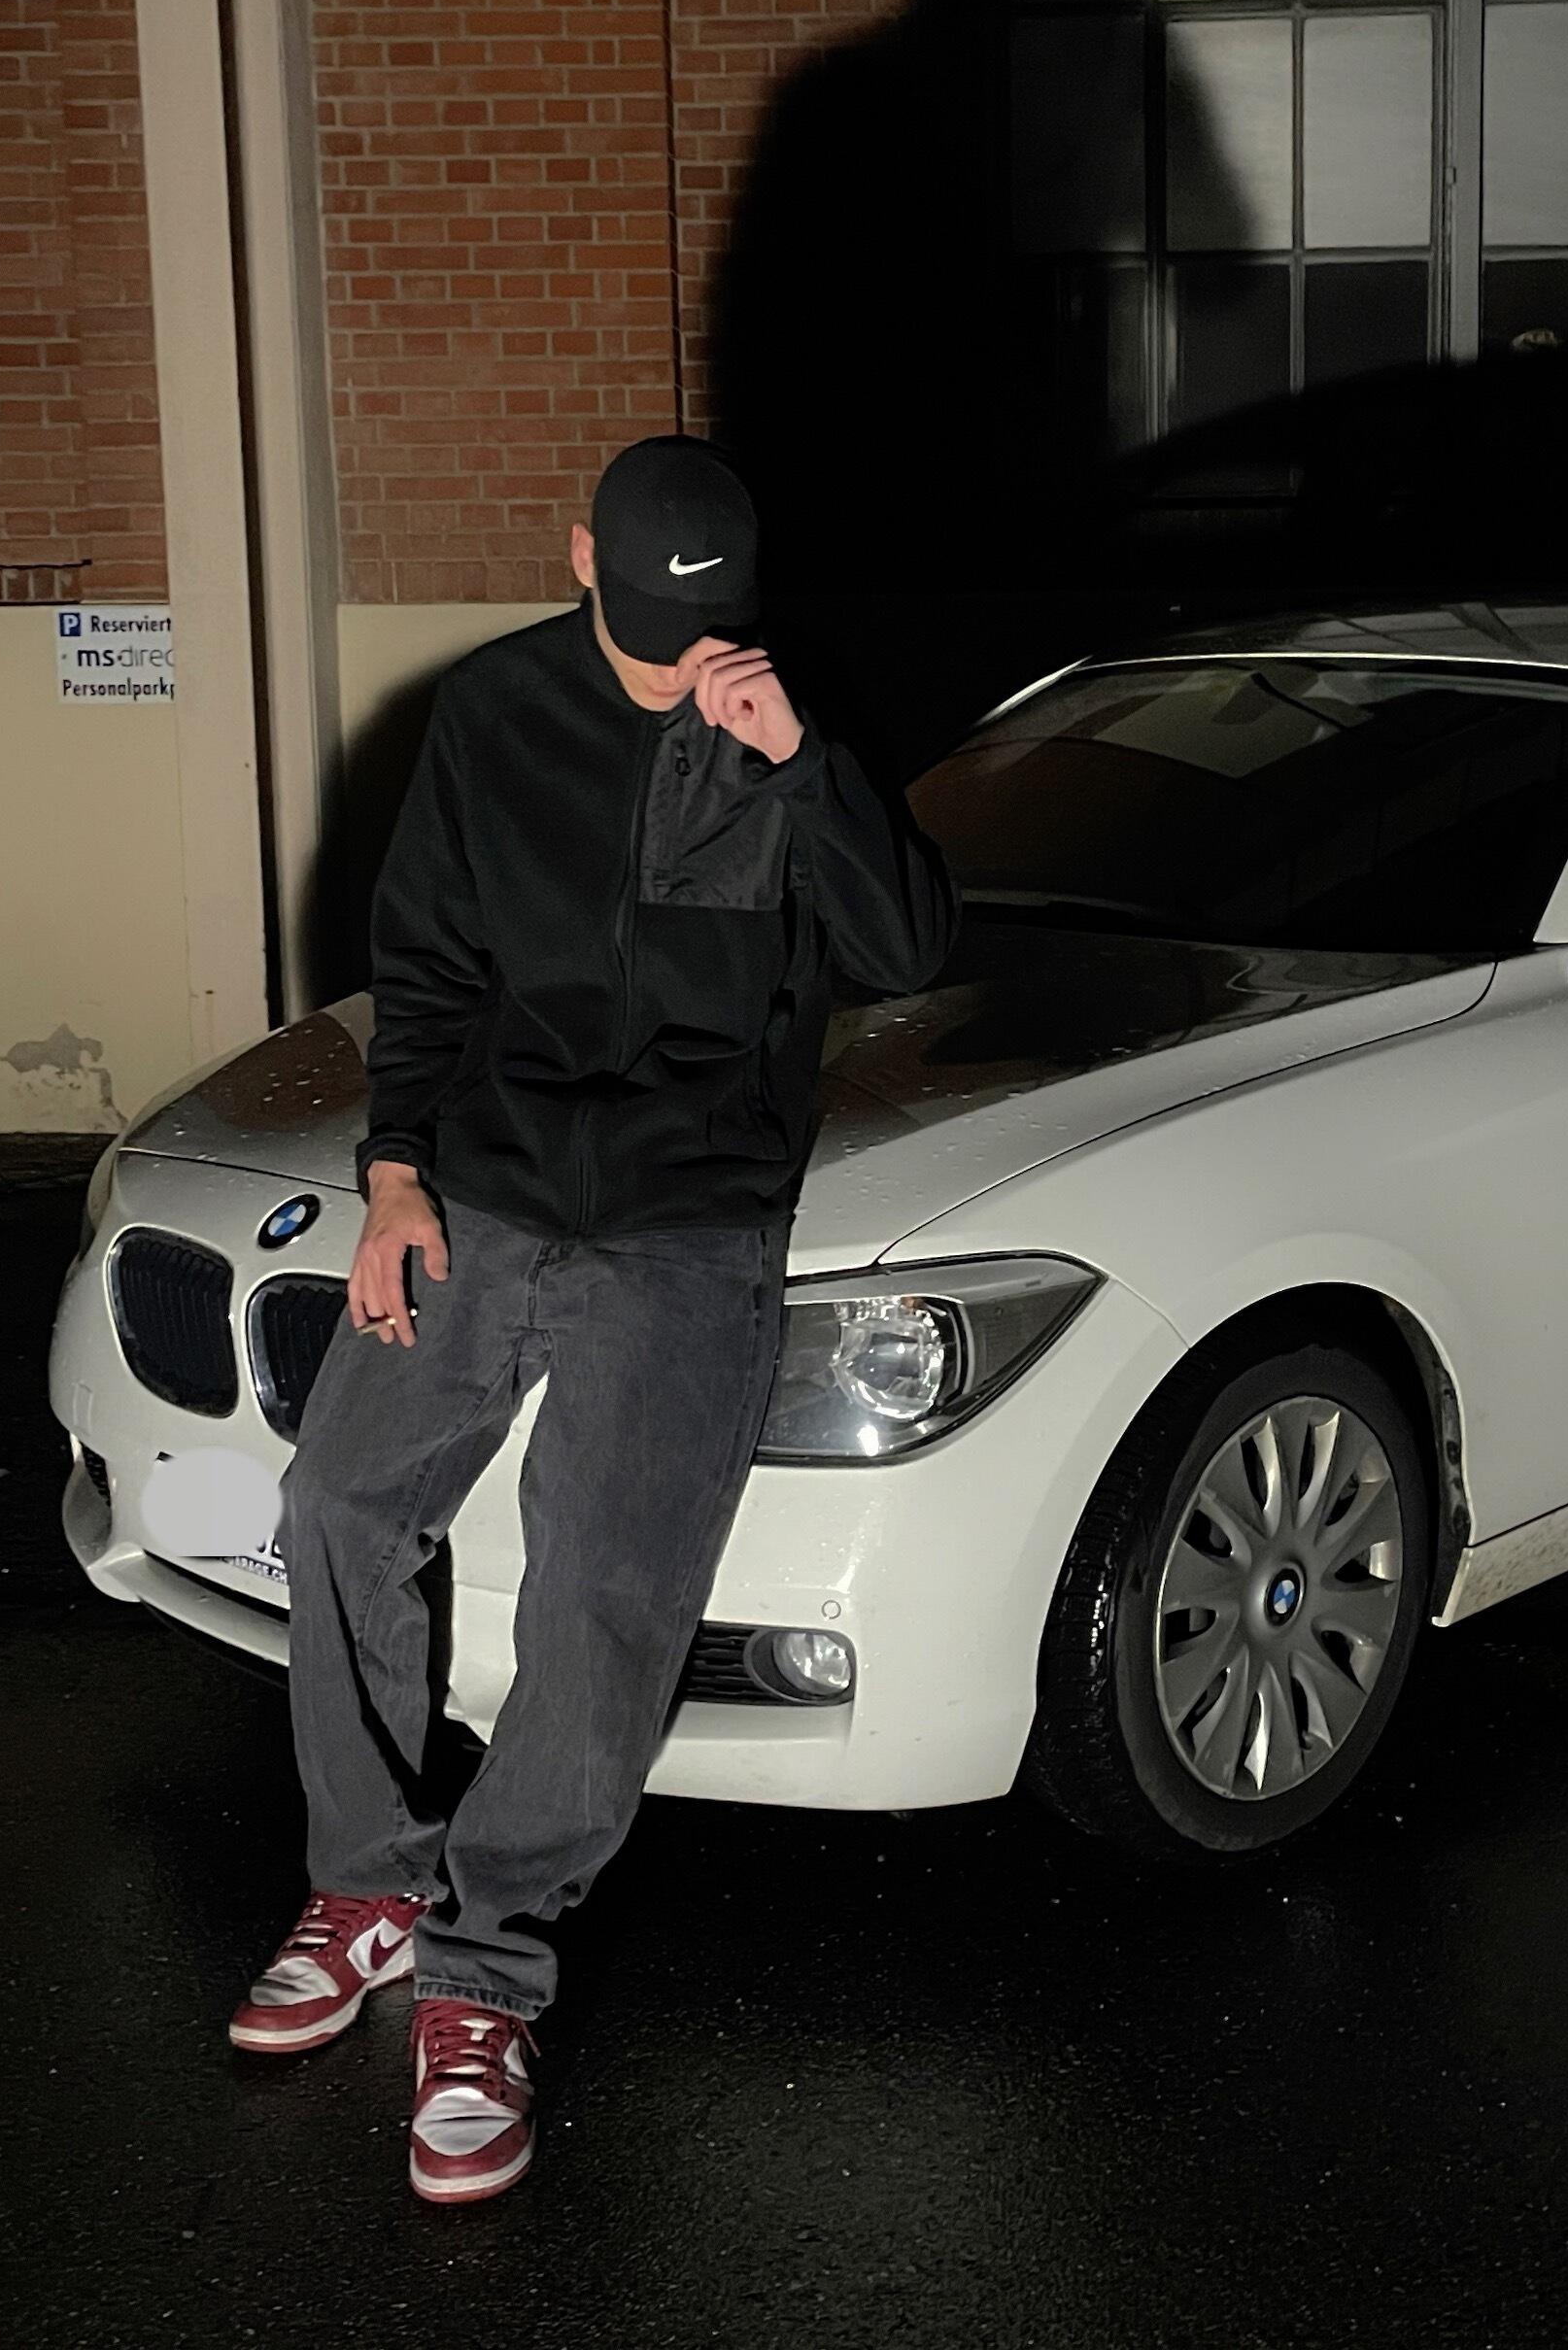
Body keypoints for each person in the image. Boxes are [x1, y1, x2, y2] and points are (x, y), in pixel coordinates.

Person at [228, 436, 957, 2203]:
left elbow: (909, 952)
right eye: (647, 631)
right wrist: (395, 1177)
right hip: (482, 1197)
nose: (678, 664)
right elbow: (430, 962)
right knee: (341, 1503)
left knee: (604, 1599)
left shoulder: (790, 718)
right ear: (580, 564)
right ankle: (370, 1884)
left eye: (706, 629)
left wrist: (801, 767)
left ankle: (483, 1978)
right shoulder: (494, 716)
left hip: (688, 1229)